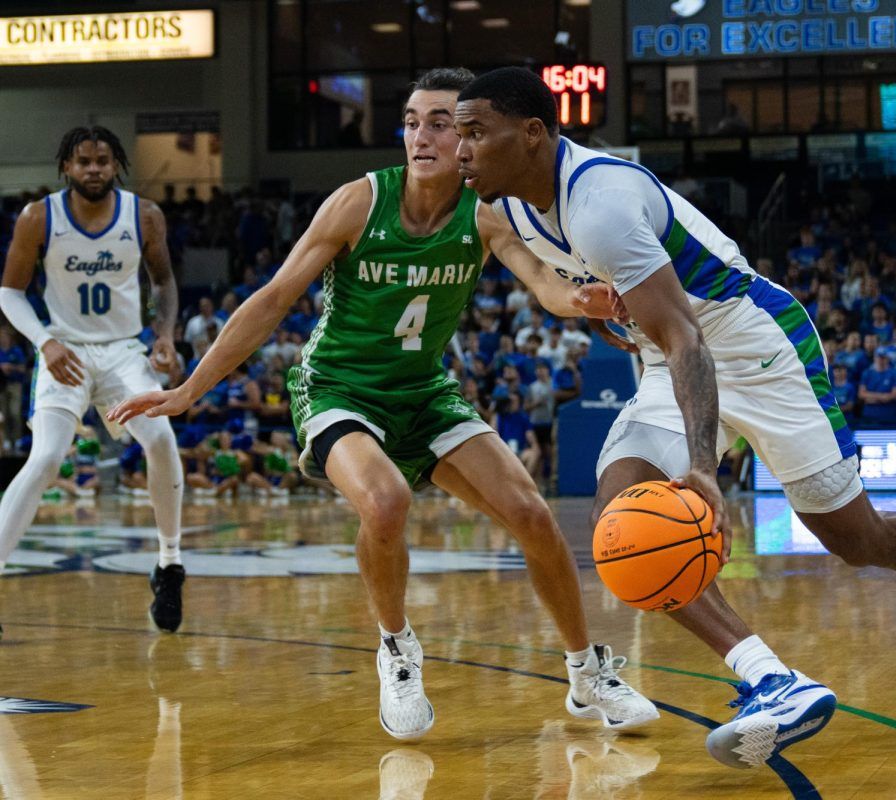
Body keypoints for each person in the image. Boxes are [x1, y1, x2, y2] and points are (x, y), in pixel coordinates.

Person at [454, 67, 896, 769]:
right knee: (623, 521)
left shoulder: (597, 201)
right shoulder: (509, 211)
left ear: (532, 133)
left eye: (475, 132)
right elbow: (647, 322)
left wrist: (700, 464)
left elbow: (690, 335)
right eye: (456, 133)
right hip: (667, 358)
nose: (460, 149)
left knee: (854, 537)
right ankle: (771, 679)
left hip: (753, 341)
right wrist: (611, 315)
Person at [108, 69, 655, 741]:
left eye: (439, 123)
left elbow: (543, 280)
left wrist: (584, 299)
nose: (421, 136)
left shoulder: (486, 213)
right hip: (338, 386)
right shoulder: (358, 202)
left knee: (531, 514)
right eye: (411, 121)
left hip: (424, 390)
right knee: (387, 501)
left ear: (467, 139)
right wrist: (194, 387)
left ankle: (584, 672)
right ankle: (396, 648)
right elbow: (276, 298)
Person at [0, 126, 185, 639]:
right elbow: (9, 292)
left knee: (162, 439)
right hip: (66, 350)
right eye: (84, 161)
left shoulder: (144, 215)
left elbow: (164, 281)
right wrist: (44, 342)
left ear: (116, 164)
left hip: (125, 351)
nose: (94, 169)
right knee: (44, 459)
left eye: (103, 160)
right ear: (67, 167)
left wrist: (165, 333)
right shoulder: (39, 217)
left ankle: (169, 565)